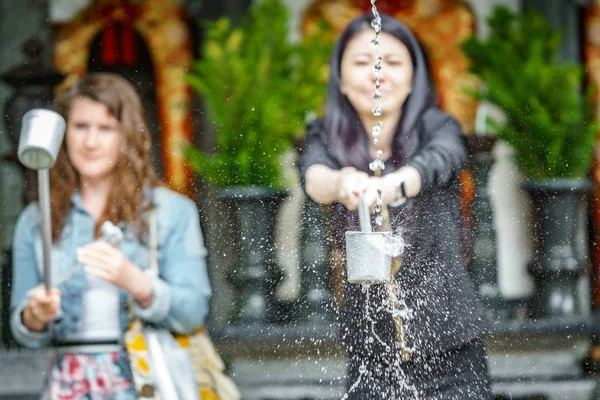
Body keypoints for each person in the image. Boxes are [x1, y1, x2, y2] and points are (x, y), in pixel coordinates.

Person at [299, 14, 492, 399]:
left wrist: (392, 184)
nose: (377, 73)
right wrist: (342, 183)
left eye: (392, 61)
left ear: (414, 75)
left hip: (451, 347)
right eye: (361, 62)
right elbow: (314, 178)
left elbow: (443, 158)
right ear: (339, 78)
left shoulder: (439, 126)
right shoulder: (324, 135)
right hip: (370, 351)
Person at [10, 72, 212, 399]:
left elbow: (193, 311)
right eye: (80, 127)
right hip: (68, 380)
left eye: (105, 129)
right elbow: (22, 329)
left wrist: (138, 284)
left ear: (127, 136)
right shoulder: (36, 220)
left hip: (145, 377)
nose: (90, 142)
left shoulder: (171, 211)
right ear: (62, 134)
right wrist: (33, 316)